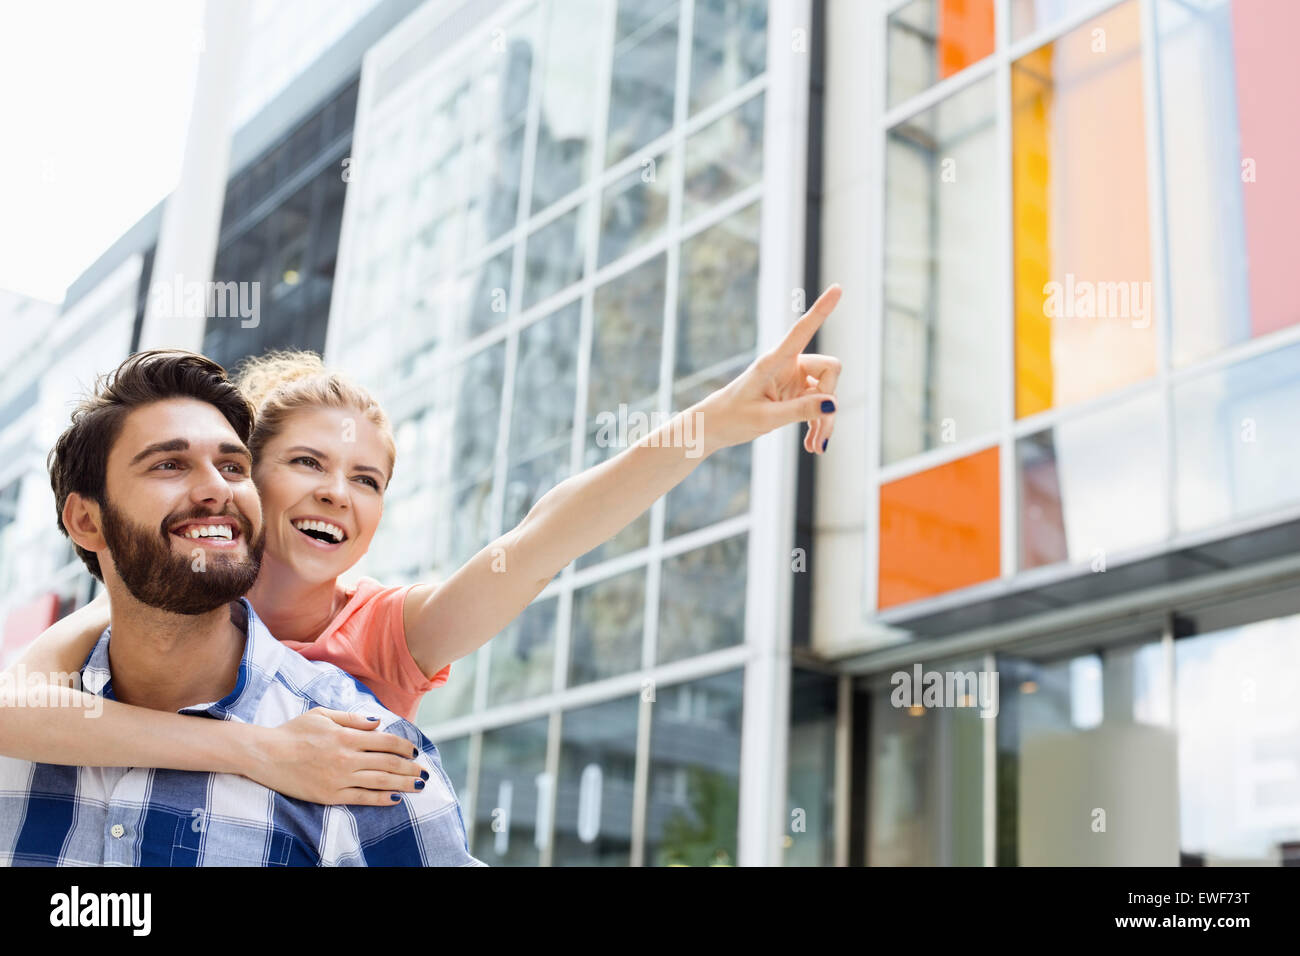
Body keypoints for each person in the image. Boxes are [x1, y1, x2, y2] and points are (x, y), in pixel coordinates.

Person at [2, 285, 844, 809]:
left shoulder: (383, 637)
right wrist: (259, 750)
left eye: (368, 480)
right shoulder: (180, 596)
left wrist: (711, 425)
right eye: (306, 464)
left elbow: (544, 536)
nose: (339, 491)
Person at [0, 351, 482, 865]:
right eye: (169, 464)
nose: (215, 489)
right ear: (86, 521)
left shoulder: (360, 759)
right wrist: (255, 749)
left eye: (233, 467)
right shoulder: (25, 733)